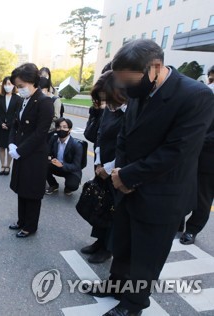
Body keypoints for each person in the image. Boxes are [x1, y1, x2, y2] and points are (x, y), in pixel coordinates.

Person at [92, 39, 214, 316]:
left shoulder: (195, 95)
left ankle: (134, 304)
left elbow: (178, 150)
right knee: (122, 243)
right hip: (127, 184)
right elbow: (125, 135)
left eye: (128, 81)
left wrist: (129, 176)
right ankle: (115, 285)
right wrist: (120, 174)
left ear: (154, 68)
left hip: (162, 193)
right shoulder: (138, 92)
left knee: (147, 254)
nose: (125, 88)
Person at [80, 70, 127, 264]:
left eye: (108, 100)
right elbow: (99, 134)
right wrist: (98, 162)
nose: (107, 105)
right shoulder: (109, 110)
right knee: (102, 204)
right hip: (102, 164)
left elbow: (127, 145)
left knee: (114, 209)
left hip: (117, 169)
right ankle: (99, 240)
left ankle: (108, 248)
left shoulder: (131, 112)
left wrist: (108, 168)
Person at [8, 63, 54, 238]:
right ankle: (21, 220)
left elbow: (40, 133)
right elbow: (16, 124)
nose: (19, 89)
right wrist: (12, 143)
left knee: (32, 192)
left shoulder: (44, 102)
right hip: (20, 151)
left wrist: (20, 150)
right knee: (22, 188)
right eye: (17, 86)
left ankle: (30, 226)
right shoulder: (23, 100)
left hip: (34, 154)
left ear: (32, 81)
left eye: (21, 86)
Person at [178, 109, 214, 245]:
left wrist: (195, 137)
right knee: (181, 190)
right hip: (190, 155)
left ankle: (192, 229)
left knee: (202, 198)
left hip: (209, 160)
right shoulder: (204, 90)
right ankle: (178, 222)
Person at [45, 118, 83, 196]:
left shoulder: (77, 145)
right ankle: (53, 185)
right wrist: (49, 158)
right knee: (43, 165)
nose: (61, 129)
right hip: (56, 165)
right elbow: (47, 152)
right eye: (59, 127)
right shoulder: (54, 139)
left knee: (72, 185)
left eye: (64, 127)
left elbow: (76, 166)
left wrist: (62, 165)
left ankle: (68, 187)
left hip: (71, 170)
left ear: (70, 129)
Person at [0, 76, 21, 176]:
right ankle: (2, 165)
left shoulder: (17, 98)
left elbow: (17, 114)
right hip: (0, 126)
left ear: (13, 85)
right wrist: (1, 123)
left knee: (10, 147)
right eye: (5, 84)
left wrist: (9, 124)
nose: (7, 86)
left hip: (12, 127)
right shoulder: (0, 97)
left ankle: (8, 166)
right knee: (1, 147)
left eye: (9, 84)